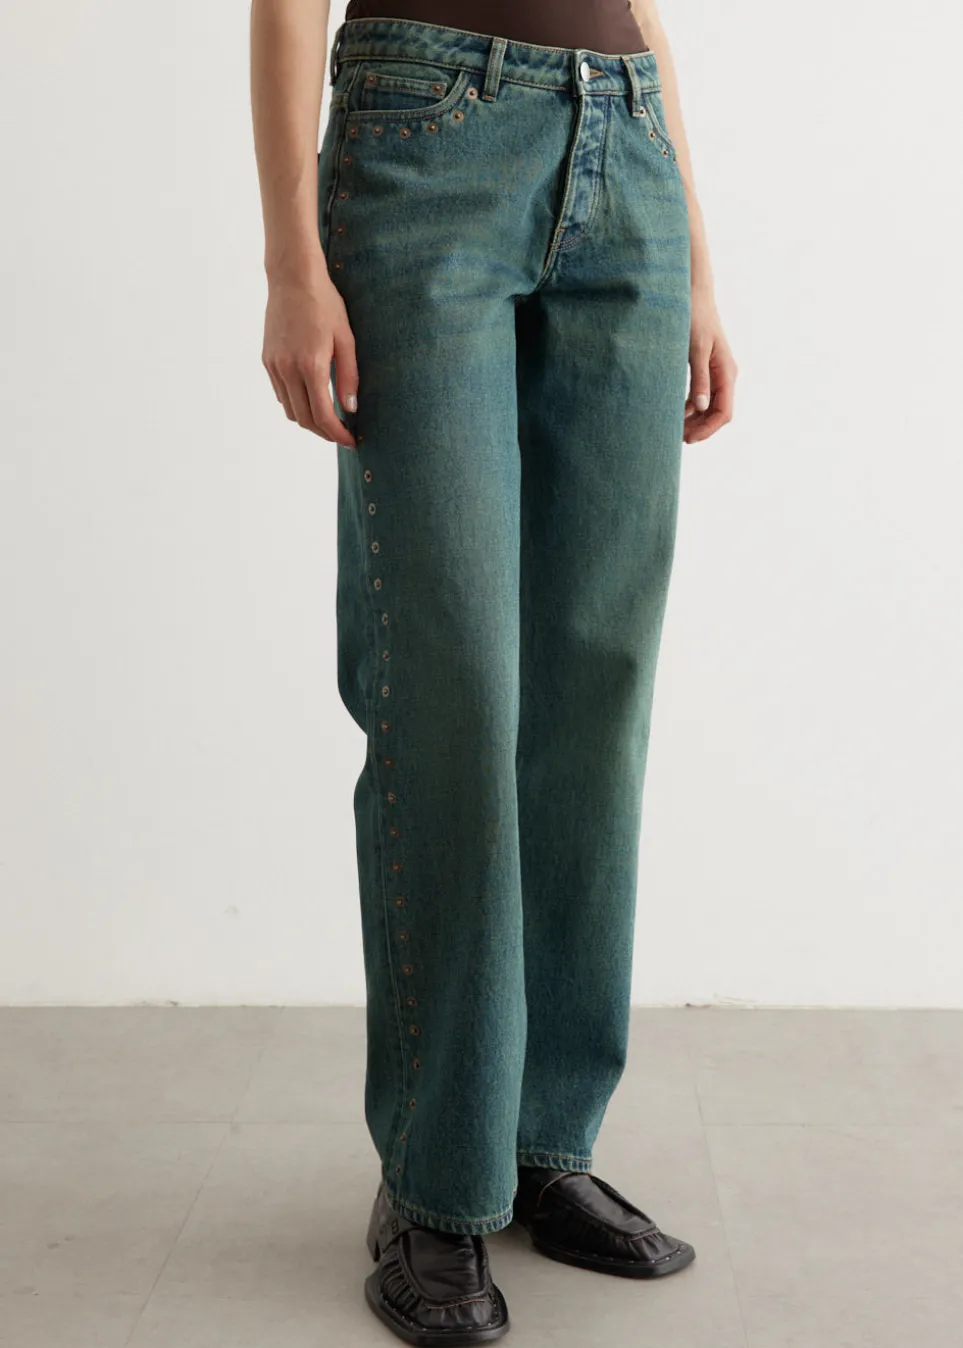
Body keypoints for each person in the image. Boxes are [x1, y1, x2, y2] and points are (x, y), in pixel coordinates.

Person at [251, 0, 736, 1340]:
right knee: (448, 692)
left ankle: (542, 1147)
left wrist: (695, 261)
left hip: (625, 145)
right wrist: (291, 265)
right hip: (423, 140)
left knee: (594, 699)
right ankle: (436, 1183)